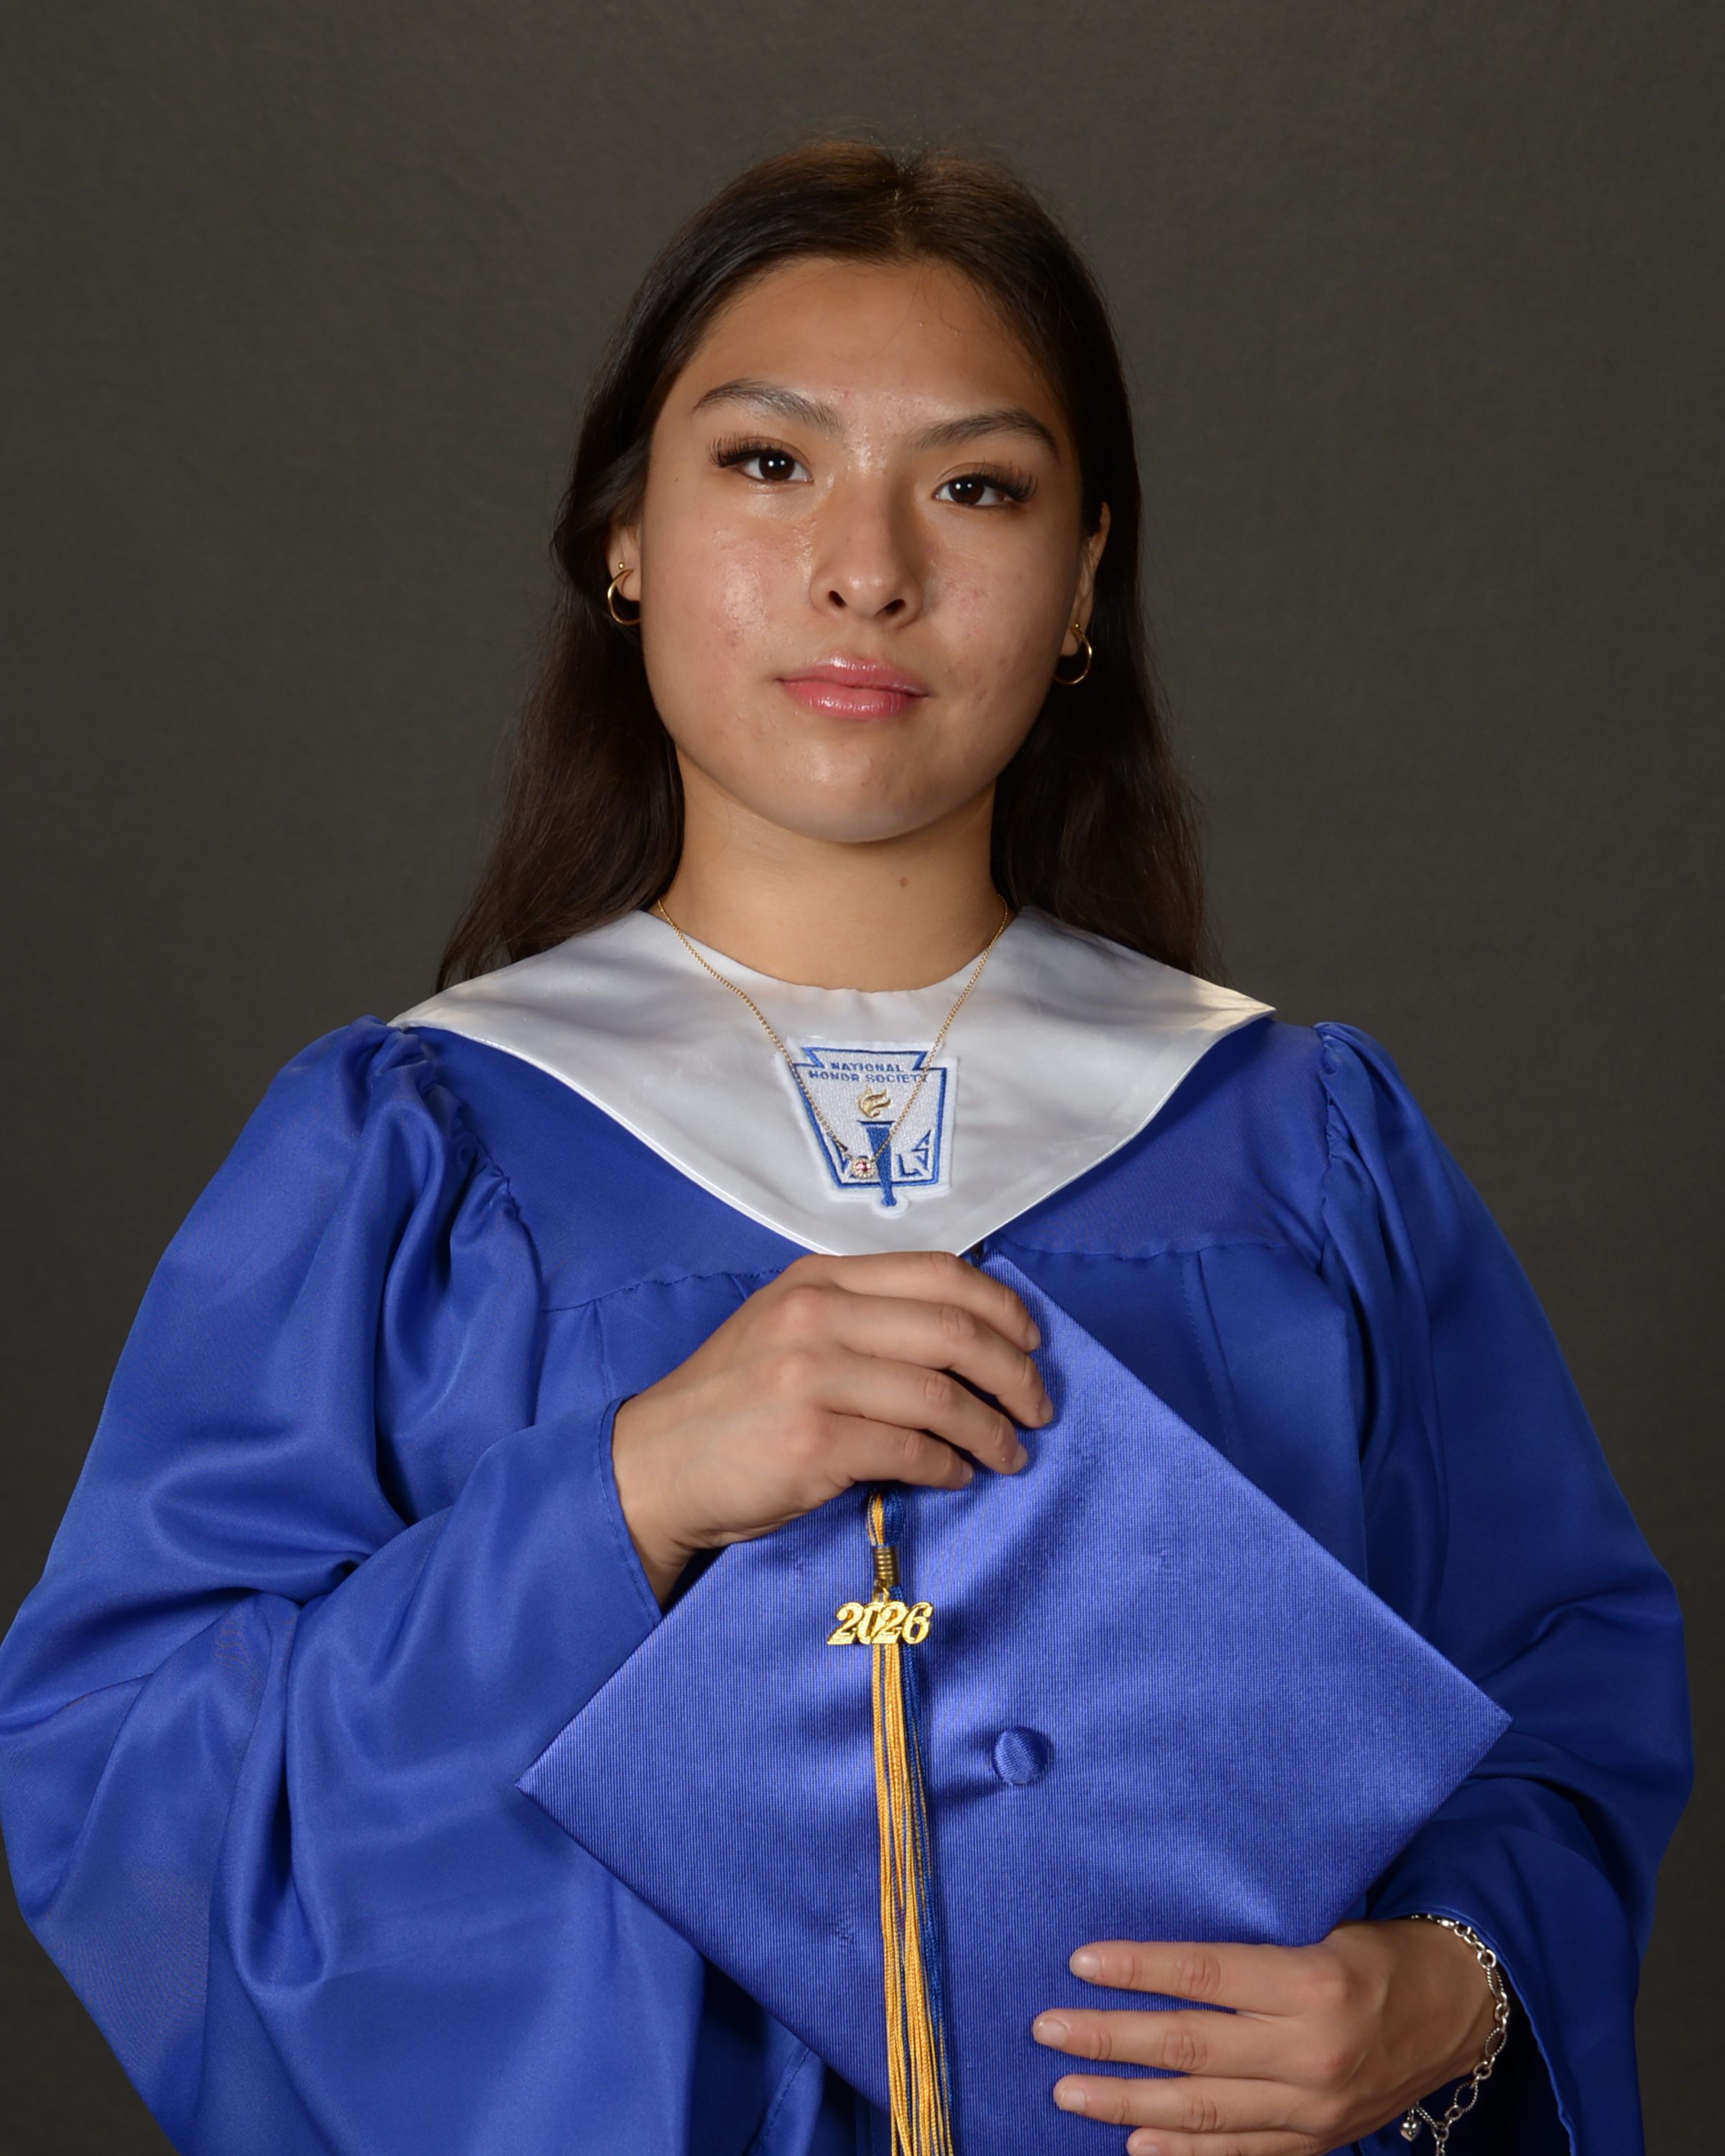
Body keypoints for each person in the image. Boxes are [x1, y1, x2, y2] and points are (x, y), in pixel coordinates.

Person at [0, 142, 1688, 2156]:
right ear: (623, 538)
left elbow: (1565, 1690)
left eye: (978, 489)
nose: (867, 569)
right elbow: (129, 1782)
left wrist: (1449, 1983)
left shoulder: (1295, 1151)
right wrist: (626, 1493)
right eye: (767, 462)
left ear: (1085, 580)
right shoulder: (416, 1151)